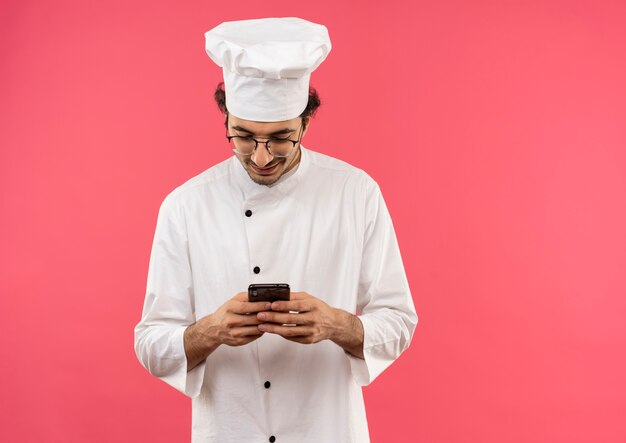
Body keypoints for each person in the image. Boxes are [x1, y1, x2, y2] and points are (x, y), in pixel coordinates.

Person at [134, 17, 418, 443]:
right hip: (229, 429)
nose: (262, 157)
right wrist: (207, 332)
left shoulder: (356, 193)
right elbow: (150, 342)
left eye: (281, 138)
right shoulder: (185, 205)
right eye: (244, 137)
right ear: (226, 118)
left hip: (327, 429)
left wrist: (339, 325)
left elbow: (399, 321)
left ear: (305, 123)